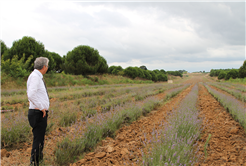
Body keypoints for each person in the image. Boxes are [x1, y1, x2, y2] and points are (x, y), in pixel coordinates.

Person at [27, 57, 49, 166]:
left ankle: (38, 161)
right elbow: (31, 94)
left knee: (40, 140)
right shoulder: (35, 77)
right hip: (38, 113)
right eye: (47, 66)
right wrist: (41, 107)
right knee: (38, 140)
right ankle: (34, 163)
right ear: (44, 66)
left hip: (38, 112)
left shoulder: (36, 76)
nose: (47, 68)